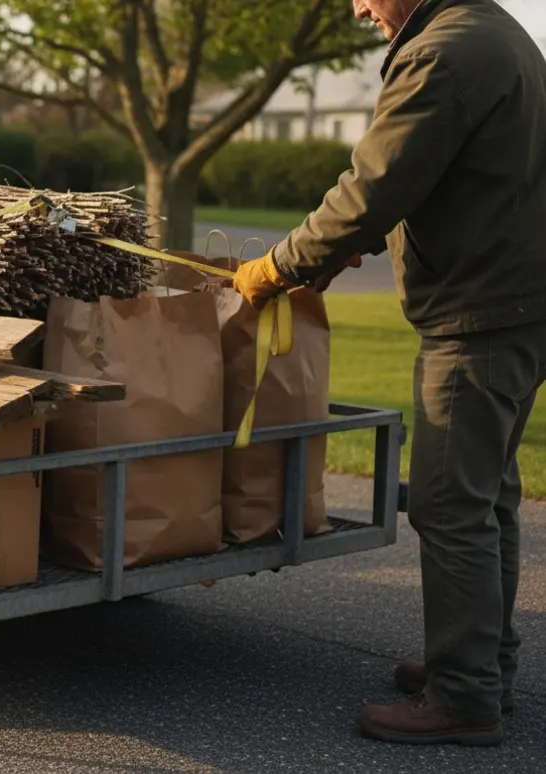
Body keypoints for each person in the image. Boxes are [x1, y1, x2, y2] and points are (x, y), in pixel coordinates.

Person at [233, 0, 546, 746]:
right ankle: (482, 666)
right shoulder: (496, 31)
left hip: (479, 317)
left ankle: (465, 698)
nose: (358, 7)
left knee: (447, 506)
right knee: (487, 497)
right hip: (515, 302)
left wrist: (280, 266)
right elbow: (450, 178)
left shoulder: (443, 52)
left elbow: (373, 186)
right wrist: (355, 247)